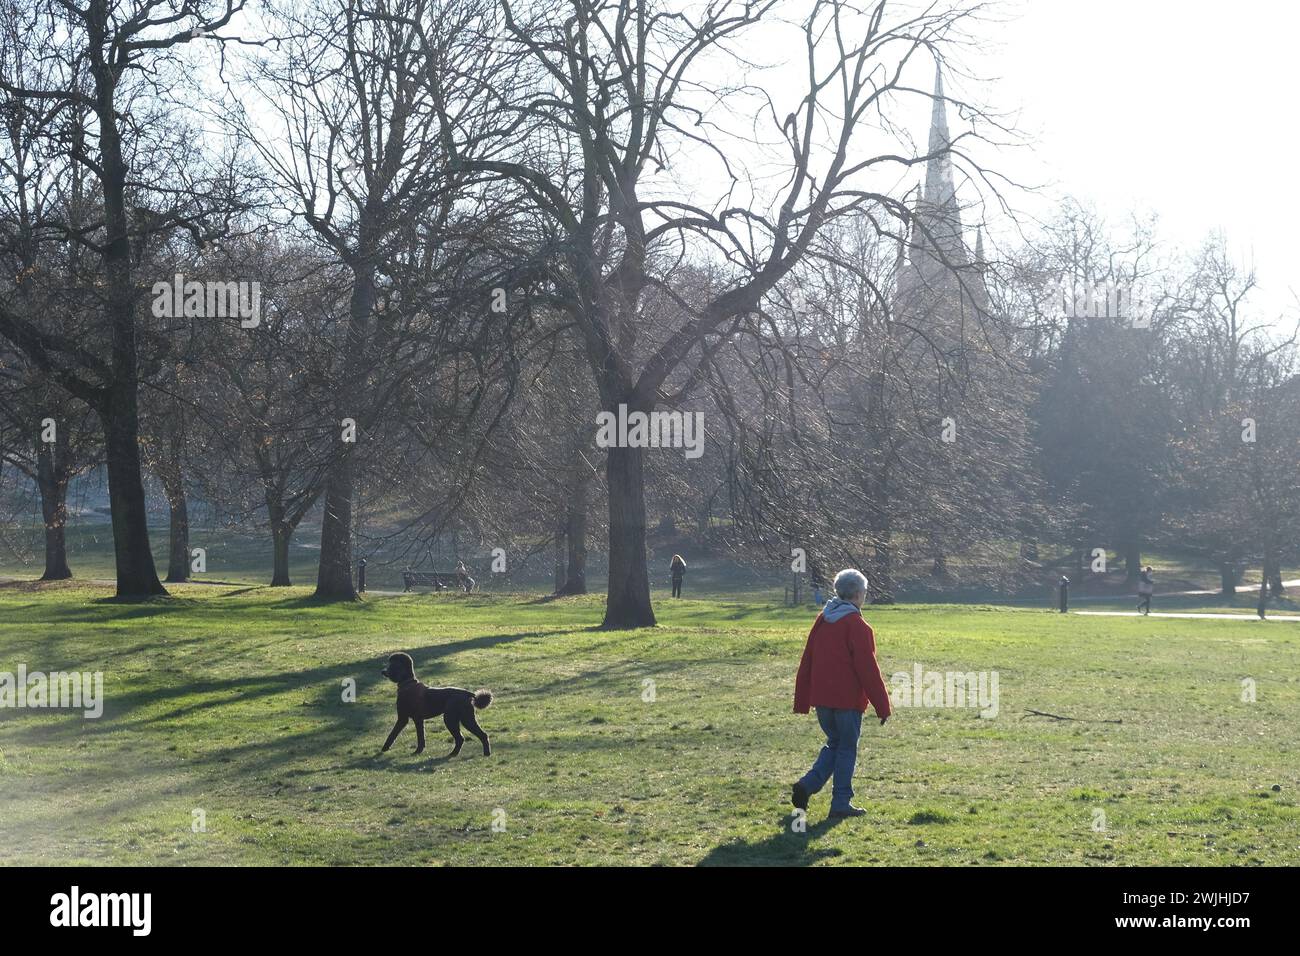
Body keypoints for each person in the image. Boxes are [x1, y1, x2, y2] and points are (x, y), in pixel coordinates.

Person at [791, 568, 892, 819]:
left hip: (822, 699)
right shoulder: (857, 626)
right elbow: (868, 669)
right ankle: (840, 802)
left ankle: (808, 785)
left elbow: (808, 659)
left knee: (835, 744)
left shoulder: (822, 620)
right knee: (846, 748)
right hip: (847, 701)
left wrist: (803, 697)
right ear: (858, 595)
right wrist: (883, 706)